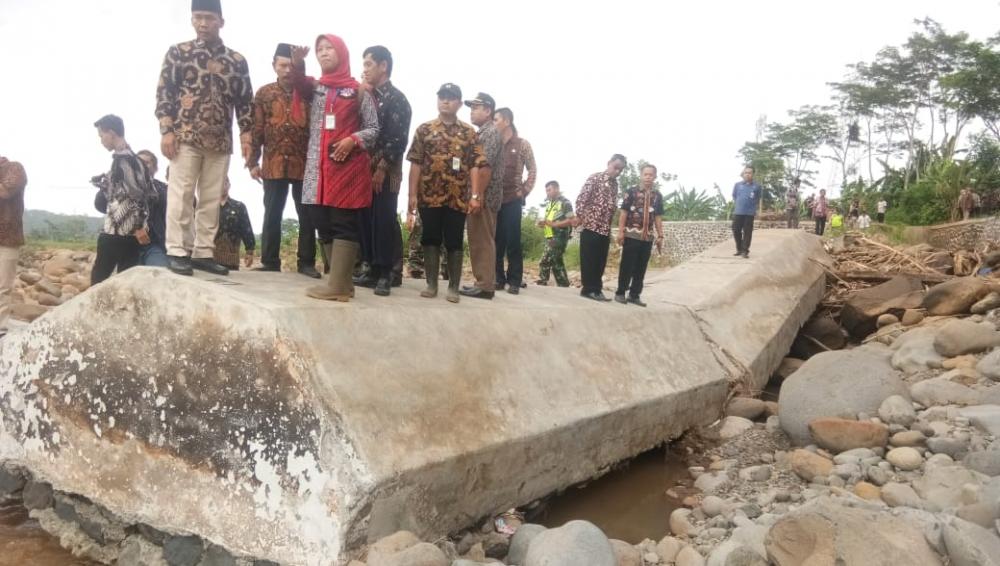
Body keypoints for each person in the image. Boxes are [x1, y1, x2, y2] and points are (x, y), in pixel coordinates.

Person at [156, 0, 253, 277]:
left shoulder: (236, 61)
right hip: (185, 136)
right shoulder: (179, 53)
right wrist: (167, 130)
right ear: (191, 20)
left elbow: (246, 101)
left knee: (211, 198)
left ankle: (202, 252)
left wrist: (247, 135)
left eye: (209, 18)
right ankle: (177, 250)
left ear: (221, 21)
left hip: (221, 140)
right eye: (197, 17)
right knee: (181, 194)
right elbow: (165, 93)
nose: (203, 23)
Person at [291, 35, 380, 302]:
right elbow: (297, 83)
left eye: (329, 48)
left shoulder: (358, 90)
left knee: (343, 223)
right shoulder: (316, 87)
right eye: (319, 49)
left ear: (341, 52)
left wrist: (353, 140)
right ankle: (341, 283)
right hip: (317, 170)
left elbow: (374, 129)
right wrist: (297, 65)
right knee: (320, 219)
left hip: (347, 168)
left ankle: (338, 286)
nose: (323, 53)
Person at [406, 83, 487, 303]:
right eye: (442, 96)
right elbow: (415, 163)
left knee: (454, 240)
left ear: (459, 103)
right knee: (430, 238)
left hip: (457, 196)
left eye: (451, 98)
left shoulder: (469, 132)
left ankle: (453, 286)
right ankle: (431, 284)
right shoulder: (424, 130)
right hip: (428, 195)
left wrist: (475, 195)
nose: (445, 101)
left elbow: (475, 165)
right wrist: (411, 196)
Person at [248, 43, 319, 278]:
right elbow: (257, 128)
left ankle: (306, 262)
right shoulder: (264, 93)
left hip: (305, 164)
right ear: (274, 66)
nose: (287, 70)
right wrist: (252, 162)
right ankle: (270, 260)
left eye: (292, 65)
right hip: (273, 162)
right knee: (272, 213)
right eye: (282, 65)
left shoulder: (310, 93)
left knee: (307, 214)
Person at [355, 45, 412, 297]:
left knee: (384, 220)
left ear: (383, 66)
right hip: (363, 171)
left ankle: (386, 274)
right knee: (366, 219)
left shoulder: (397, 99)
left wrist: (381, 168)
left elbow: (397, 139)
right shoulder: (368, 96)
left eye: (368, 64)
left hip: (386, 172)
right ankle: (371, 268)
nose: (364, 69)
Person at [90, 115, 157, 286]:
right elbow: (150, 193)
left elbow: (139, 194)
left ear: (111, 133)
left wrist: (138, 226)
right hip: (128, 235)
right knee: (126, 284)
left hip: (118, 233)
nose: (101, 141)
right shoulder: (135, 159)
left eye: (101, 136)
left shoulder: (123, 161)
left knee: (98, 282)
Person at [460, 93, 502, 300]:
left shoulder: (490, 133)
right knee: (478, 239)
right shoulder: (483, 133)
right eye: (471, 107)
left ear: (488, 111)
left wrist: (477, 195)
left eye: (477, 107)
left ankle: (485, 285)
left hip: (484, 197)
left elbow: (484, 168)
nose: (472, 111)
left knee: (482, 240)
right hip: (482, 195)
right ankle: (482, 282)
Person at [493, 107, 537, 295]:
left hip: (513, 200)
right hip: (495, 200)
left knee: (513, 240)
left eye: (496, 119)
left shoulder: (522, 144)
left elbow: (533, 169)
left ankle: (514, 280)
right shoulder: (493, 144)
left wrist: (524, 191)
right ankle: (498, 278)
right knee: (496, 241)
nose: (493, 123)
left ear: (507, 121)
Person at [576, 154, 627, 301]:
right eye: (615, 167)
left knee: (600, 261)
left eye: (620, 170)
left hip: (605, 229)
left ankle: (597, 290)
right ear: (609, 163)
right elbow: (581, 200)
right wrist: (585, 218)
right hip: (591, 227)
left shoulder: (614, 185)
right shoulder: (595, 178)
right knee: (589, 260)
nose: (617, 172)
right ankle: (588, 289)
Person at [615, 164, 664, 307]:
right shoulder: (631, 192)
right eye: (645, 174)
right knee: (627, 265)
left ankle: (634, 295)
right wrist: (620, 231)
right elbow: (624, 212)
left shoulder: (657, 196)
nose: (648, 177)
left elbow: (658, 216)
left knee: (641, 267)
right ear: (641, 176)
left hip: (647, 237)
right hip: (631, 235)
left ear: (655, 177)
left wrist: (660, 235)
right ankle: (620, 293)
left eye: (651, 175)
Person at [0, 156, 26, 338]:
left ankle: (0, 327)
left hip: (7, 239)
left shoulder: (14, 168)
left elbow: (5, 191)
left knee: (3, 286)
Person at [535, 181, 574, 287]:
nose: (547, 193)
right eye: (546, 190)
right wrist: (543, 224)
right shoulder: (550, 203)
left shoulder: (565, 202)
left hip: (560, 236)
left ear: (557, 189)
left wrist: (553, 224)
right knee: (557, 262)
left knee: (545, 259)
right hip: (550, 236)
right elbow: (550, 221)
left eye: (549, 190)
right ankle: (564, 284)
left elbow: (571, 220)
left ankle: (542, 281)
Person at [134, 150, 169, 267]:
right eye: (138, 163)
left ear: (155, 168)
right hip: (128, 246)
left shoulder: (164, 189)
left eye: (146, 163)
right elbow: (101, 205)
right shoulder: (122, 187)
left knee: (160, 274)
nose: (142, 166)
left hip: (154, 246)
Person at [213, 178, 255, 270]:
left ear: (229, 185)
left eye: (225, 182)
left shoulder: (239, 206)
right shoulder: (207, 206)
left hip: (231, 260)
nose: (222, 186)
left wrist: (249, 251)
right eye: (219, 182)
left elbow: (246, 228)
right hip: (209, 259)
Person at [731, 166, 761, 258]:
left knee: (747, 232)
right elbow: (735, 196)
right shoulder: (737, 185)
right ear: (743, 174)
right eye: (746, 172)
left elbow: (757, 198)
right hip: (738, 212)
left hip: (749, 213)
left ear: (753, 174)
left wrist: (752, 208)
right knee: (736, 230)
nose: (747, 174)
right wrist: (740, 205)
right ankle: (739, 249)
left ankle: (745, 251)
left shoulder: (757, 186)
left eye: (749, 173)